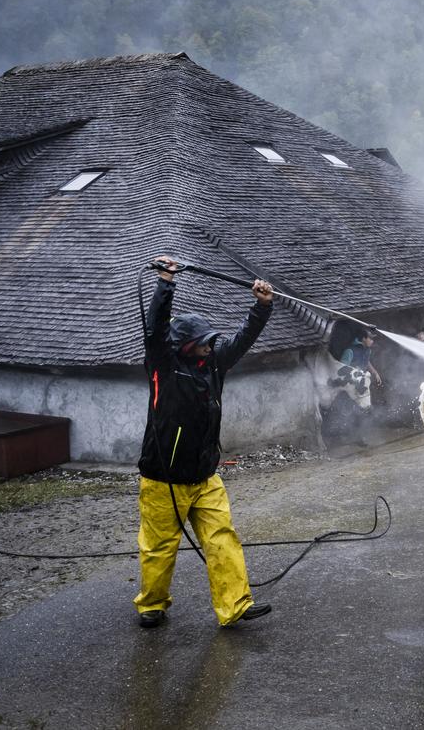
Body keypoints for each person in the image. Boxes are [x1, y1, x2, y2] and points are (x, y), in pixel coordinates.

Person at [134, 255, 275, 629]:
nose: (211, 346)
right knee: (159, 547)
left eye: (211, 341)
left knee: (221, 538)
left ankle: (236, 605)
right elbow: (155, 331)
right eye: (203, 343)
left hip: (204, 476)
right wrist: (166, 282)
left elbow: (243, 339)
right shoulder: (163, 364)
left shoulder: (214, 364)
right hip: (162, 478)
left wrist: (262, 306)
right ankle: (152, 604)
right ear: (184, 346)